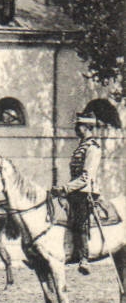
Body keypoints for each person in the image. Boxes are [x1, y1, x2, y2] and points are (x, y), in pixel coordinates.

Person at [64, 113, 104, 275]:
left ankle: (83, 258)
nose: (75, 128)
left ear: (87, 127)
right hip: (75, 190)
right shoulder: (82, 146)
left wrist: (66, 188)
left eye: (78, 125)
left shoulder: (92, 148)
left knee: (80, 222)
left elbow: (86, 177)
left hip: (86, 192)